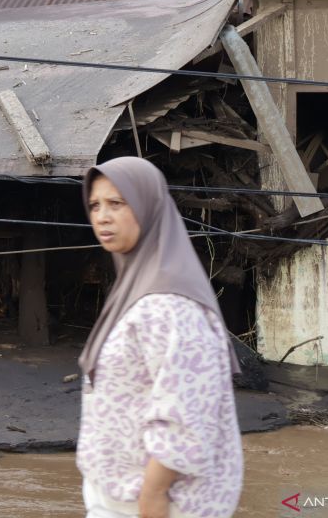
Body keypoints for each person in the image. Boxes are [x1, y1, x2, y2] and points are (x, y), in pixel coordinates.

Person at [77, 157, 243, 518]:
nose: (102, 216)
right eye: (95, 205)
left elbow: (185, 412)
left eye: (117, 203)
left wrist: (153, 497)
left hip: (158, 505)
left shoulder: (169, 305)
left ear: (148, 207)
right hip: (119, 497)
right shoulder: (135, 290)